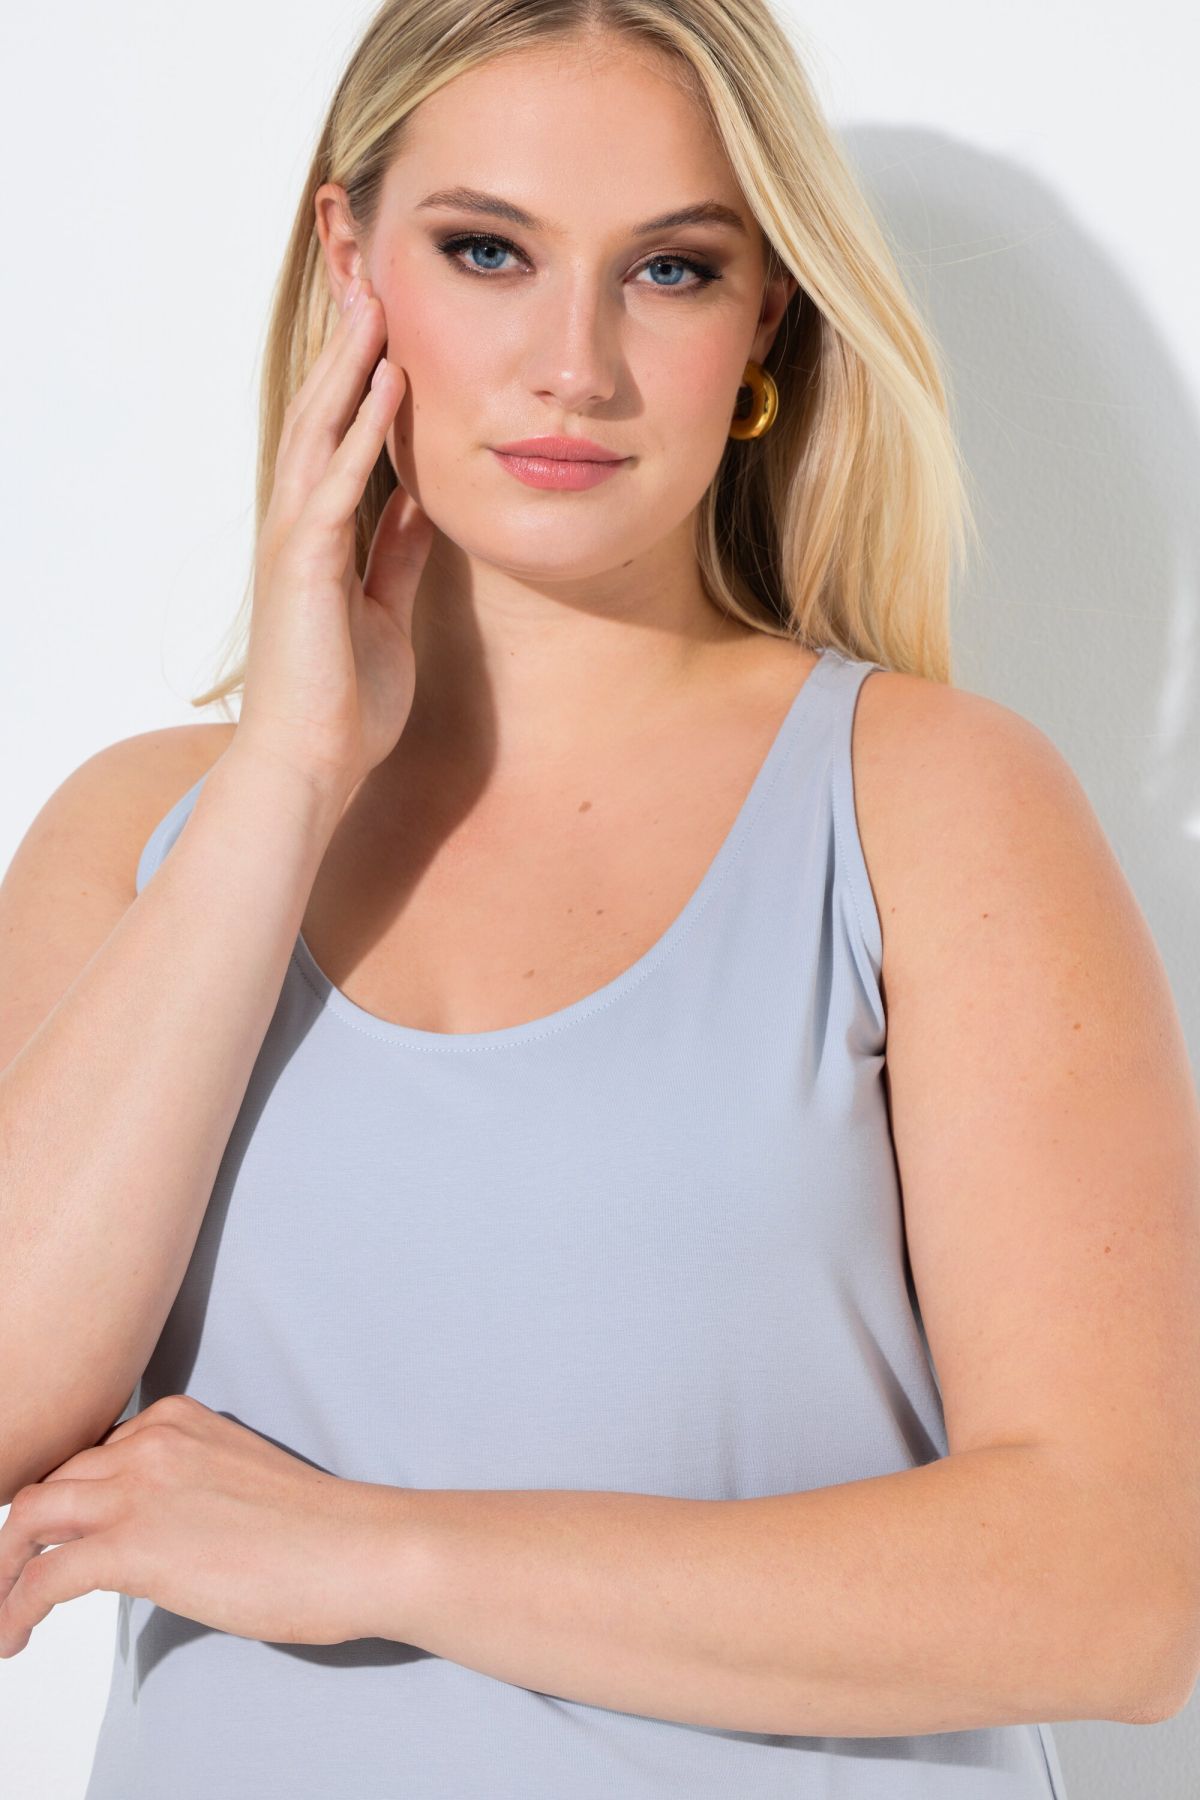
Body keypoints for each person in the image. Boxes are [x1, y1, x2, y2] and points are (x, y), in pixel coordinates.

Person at [1, 2, 1196, 1796]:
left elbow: (1117, 1593)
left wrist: (376, 1555)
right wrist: (286, 776)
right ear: (352, 259)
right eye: (488, 251)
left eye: (671, 270)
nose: (575, 366)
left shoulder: (932, 804)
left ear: (765, 314)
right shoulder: (148, 833)